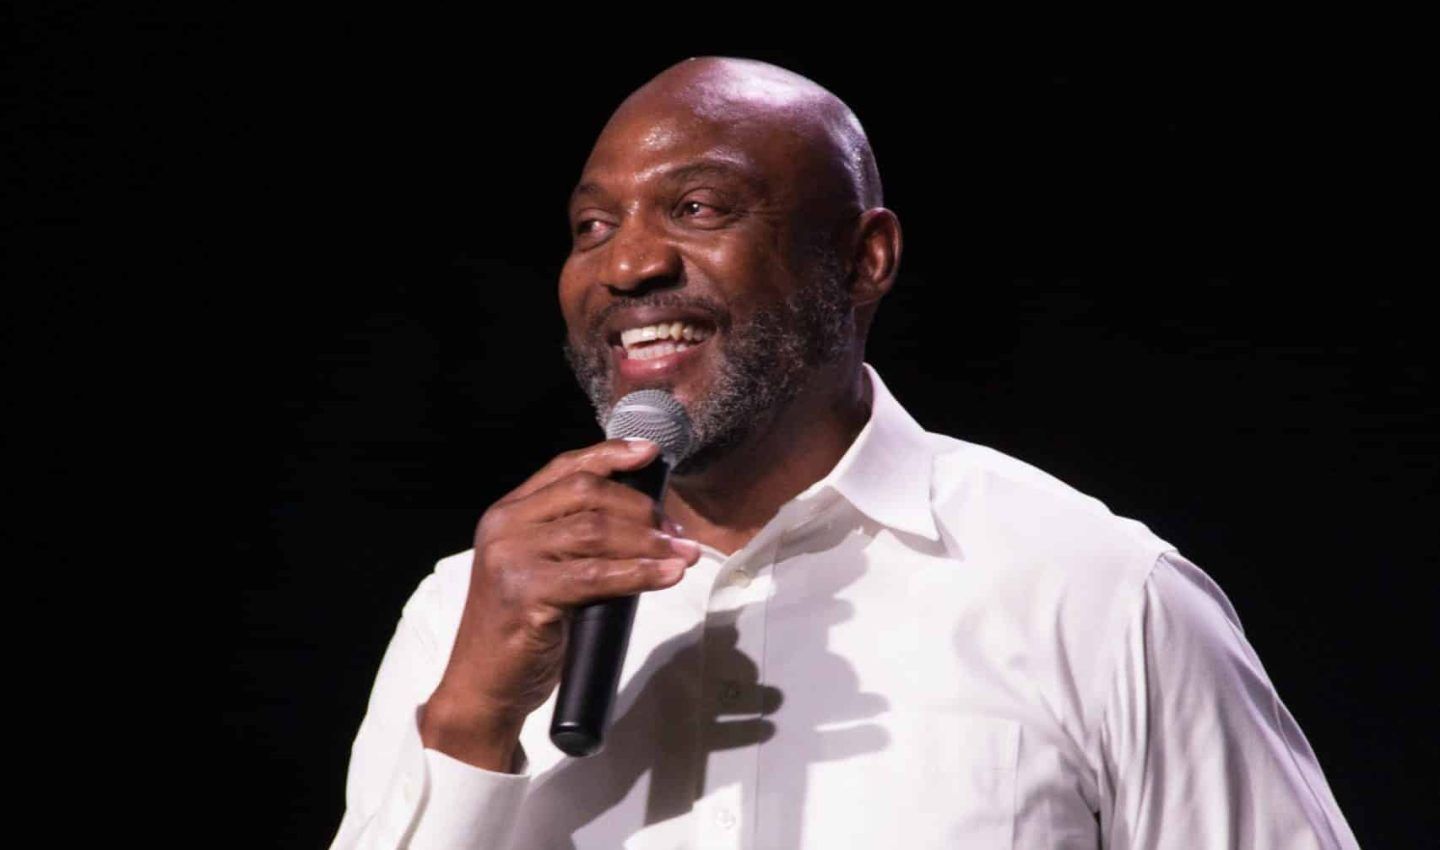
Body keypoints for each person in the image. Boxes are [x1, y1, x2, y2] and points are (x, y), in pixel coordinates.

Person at [329, 56, 1359, 849]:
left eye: (697, 207)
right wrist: (470, 715)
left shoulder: (1091, 590)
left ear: (865, 259)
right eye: (593, 225)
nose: (631, 262)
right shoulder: (462, 615)